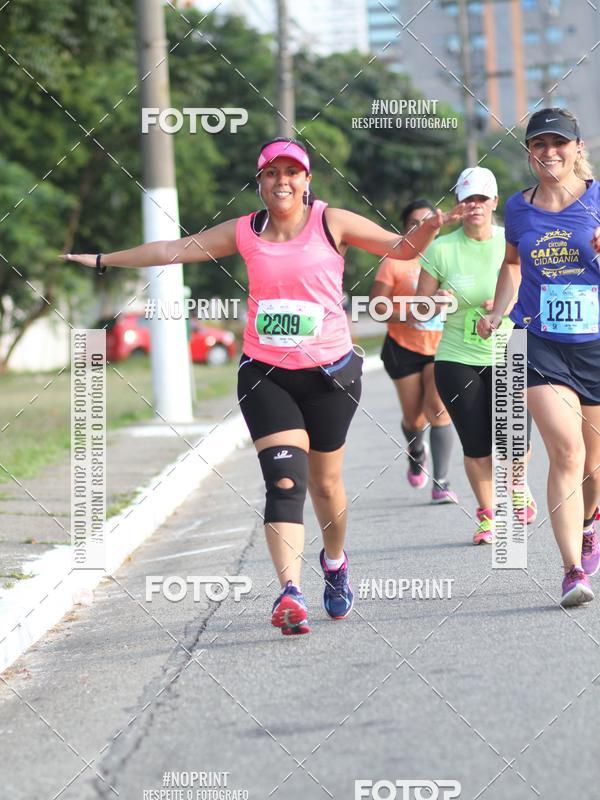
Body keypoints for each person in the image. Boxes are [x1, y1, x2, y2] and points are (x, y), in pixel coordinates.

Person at [63, 136, 465, 635]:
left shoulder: (330, 222)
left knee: (326, 484)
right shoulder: (246, 231)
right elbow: (172, 249)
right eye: (272, 174)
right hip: (265, 374)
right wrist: (104, 259)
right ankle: (290, 592)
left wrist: (430, 226)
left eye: (291, 172)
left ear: (306, 180)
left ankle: (335, 562)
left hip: (330, 374)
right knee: (284, 482)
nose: (282, 182)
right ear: (260, 183)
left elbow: (402, 247)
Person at [478, 108, 600, 607]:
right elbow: (511, 265)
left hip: (594, 343)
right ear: (528, 152)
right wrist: (498, 311)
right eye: (538, 144)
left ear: (576, 148)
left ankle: (591, 522)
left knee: (595, 466)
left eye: (558, 143)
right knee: (566, 451)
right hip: (537, 342)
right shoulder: (519, 208)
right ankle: (572, 570)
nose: (549, 152)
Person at [417, 166, 536, 545]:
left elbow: (532, 288)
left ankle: (517, 486)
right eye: (467, 199)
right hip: (456, 356)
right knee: (477, 442)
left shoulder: (510, 241)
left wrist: (506, 302)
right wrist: (437, 301)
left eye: (481, 199)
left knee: (515, 437)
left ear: (494, 202)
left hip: (509, 350)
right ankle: (488, 515)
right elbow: (419, 306)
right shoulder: (441, 247)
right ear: (459, 204)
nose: (474, 206)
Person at [370, 199, 457, 503]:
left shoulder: (449, 255)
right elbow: (377, 306)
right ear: (405, 230)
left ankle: (442, 481)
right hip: (403, 348)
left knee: (438, 408)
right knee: (414, 418)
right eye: (414, 224)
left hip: (442, 347)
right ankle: (417, 450)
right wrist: (412, 312)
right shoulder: (395, 261)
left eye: (429, 221)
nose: (423, 228)